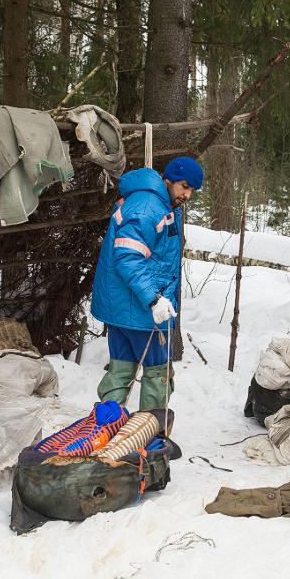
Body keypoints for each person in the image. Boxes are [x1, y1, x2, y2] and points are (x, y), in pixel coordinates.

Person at [90, 156, 203, 412]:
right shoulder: (148, 207)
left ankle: (107, 428)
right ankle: (150, 434)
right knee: (158, 374)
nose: (187, 195)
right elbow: (128, 258)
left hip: (125, 306)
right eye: (184, 186)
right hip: (142, 308)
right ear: (169, 180)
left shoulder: (160, 204)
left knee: (121, 369)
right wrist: (154, 299)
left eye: (192, 190)